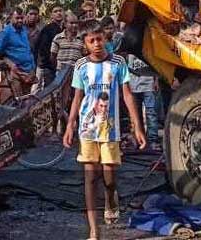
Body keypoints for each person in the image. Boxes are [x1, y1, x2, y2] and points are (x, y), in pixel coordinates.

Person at [64, 20, 147, 240]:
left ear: (105, 39)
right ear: (85, 44)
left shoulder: (118, 63)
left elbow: (127, 94)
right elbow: (77, 97)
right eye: (91, 41)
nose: (97, 44)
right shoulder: (81, 66)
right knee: (91, 177)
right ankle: (93, 229)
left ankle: (111, 198)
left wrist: (137, 125)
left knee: (109, 176)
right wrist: (70, 124)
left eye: (99, 39)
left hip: (110, 129)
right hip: (87, 129)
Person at [0, 8, 36, 101]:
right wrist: (9, 63)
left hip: (28, 73)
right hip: (15, 73)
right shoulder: (5, 32)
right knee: (17, 102)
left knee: (26, 103)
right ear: (11, 18)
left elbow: (27, 50)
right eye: (17, 18)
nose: (20, 20)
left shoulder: (23, 30)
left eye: (21, 18)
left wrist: (32, 69)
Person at [34, 5, 65, 89]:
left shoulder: (63, 29)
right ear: (51, 15)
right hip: (45, 67)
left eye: (60, 11)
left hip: (55, 67)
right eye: (55, 11)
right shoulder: (48, 29)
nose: (58, 13)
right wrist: (44, 65)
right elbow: (42, 48)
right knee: (39, 92)